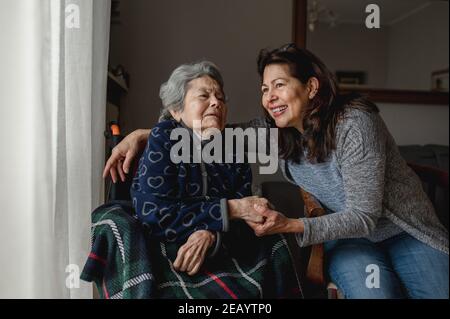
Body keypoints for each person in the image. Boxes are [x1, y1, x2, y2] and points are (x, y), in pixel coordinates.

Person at [103, 44, 448, 299]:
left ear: (311, 88)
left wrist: (288, 224)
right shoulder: (275, 133)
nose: (269, 97)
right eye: (265, 89)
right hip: (346, 239)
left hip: (404, 232)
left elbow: (364, 216)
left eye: (279, 85)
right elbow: (206, 127)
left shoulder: (355, 123)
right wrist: (144, 134)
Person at [127, 60, 301, 298]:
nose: (216, 102)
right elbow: (155, 212)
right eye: (204, 96)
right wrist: (230, 209)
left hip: (221, 246)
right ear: (177, 110)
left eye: (220, 97)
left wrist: (210, 232)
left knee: (271, 241)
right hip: (169, 249)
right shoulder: (163, 138)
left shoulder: (231, 145)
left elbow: (246, 213)